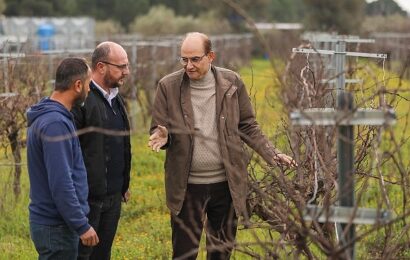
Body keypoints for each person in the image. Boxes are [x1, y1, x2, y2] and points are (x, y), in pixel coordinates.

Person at [149, 32, 295, 259]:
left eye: (195, 59)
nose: (189, 66)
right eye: (184, 60)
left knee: (221, 253)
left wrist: (272, 152)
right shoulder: (168, 86)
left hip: (225, 186)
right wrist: (165, 136)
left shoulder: (232, 82)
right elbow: (158, 129)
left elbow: (247, 125)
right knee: (184, 253)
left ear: (211, 56)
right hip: (187, 188)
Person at [27, 57, 99, 259]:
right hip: (56, 226)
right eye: (88, 84)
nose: (89, 89)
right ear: (77, 85)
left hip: (55, 225)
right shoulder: (55, 123)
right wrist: (81, 225)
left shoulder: (53, 117)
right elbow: (61, 181)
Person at [71, 41, 131, 260]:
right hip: (89, 200)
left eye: (127, 66)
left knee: (103, 254)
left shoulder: (116, 98)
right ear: (101, 66)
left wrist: (123, 183)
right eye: (121, 66)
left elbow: (119, 145)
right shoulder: (83, 102)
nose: (127, 72)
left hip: (113, 197)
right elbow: (72, 151)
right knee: (82, 255)